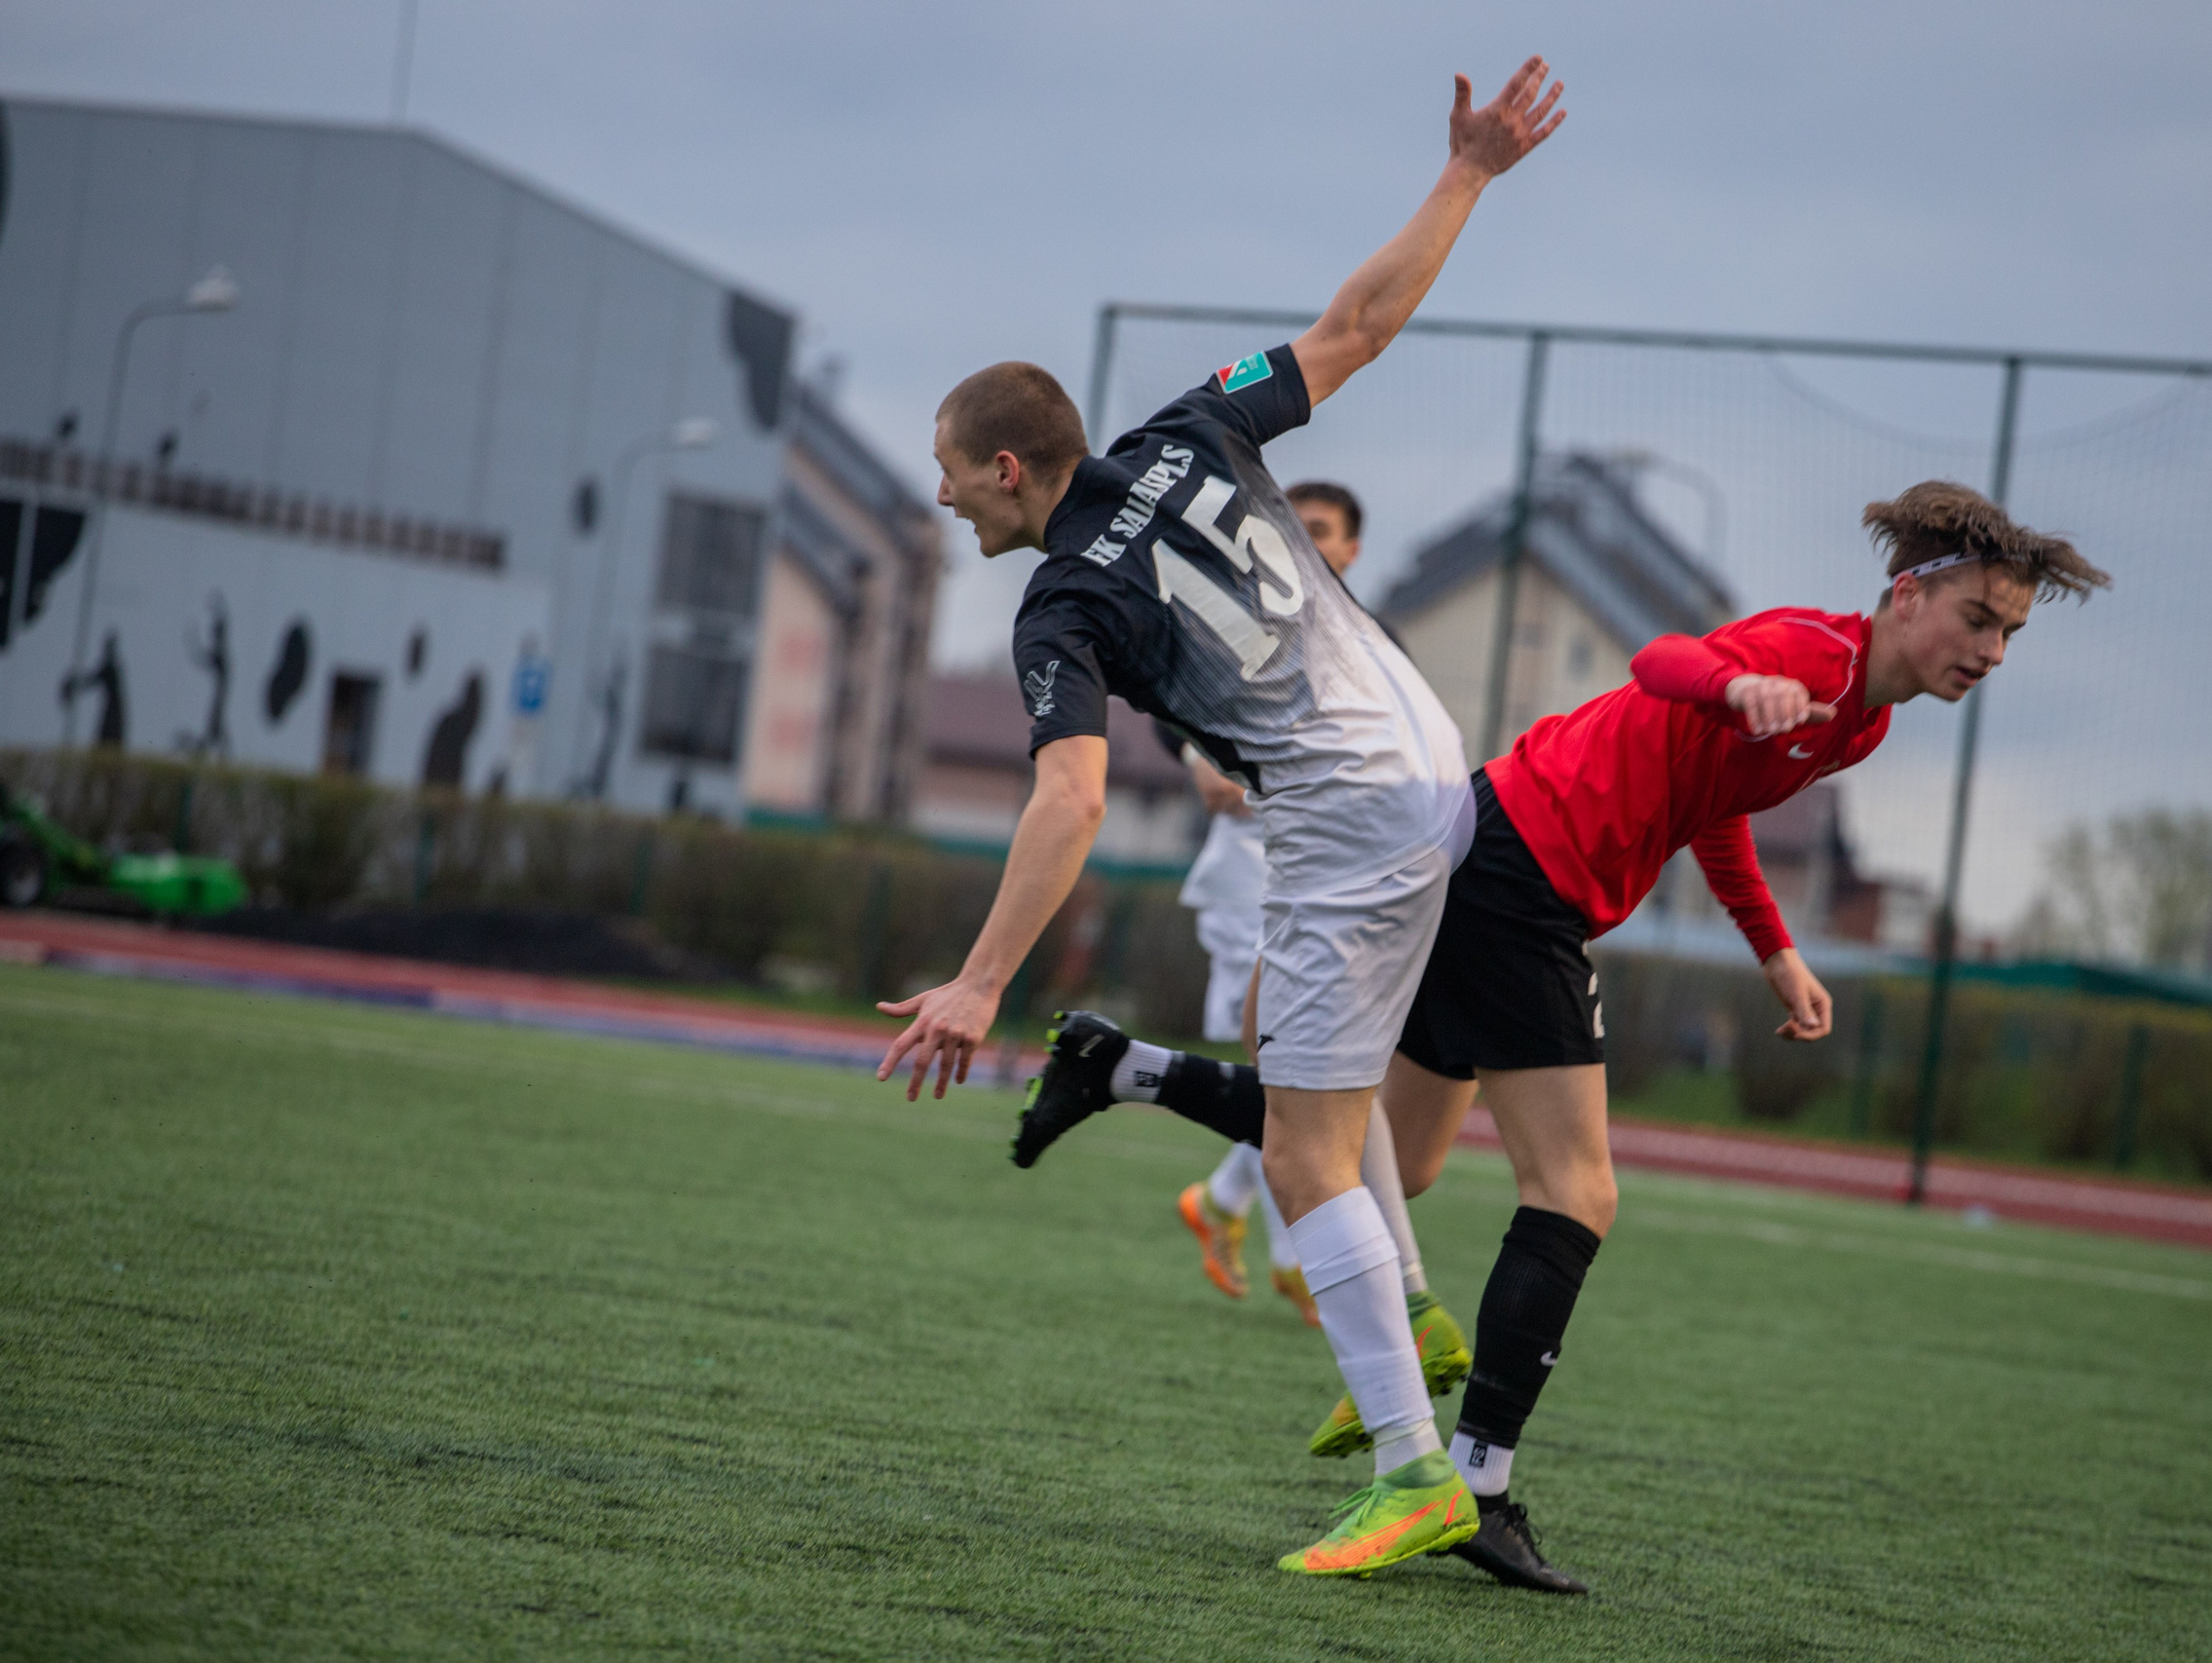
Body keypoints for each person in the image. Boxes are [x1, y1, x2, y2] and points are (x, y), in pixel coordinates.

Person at [1016, 480, 2109, 1590]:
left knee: (1386, 1154)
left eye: (2008, 633)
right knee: (1577, 1191)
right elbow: (1662, 664)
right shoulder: (1813, 657)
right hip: (1523, 881)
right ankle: (1475, 1489)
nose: (1992, 651)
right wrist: (1739, 680)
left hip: (1497, 857)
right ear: (1907, 596)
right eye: (1979, 620)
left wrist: (1773, 947)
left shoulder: (1860, 720)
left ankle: (1120, 1066)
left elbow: (1710, 801)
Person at [876, 58, 1565, 1579]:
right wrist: (1468, 175)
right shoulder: (1193, 427)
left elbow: (1067, 795)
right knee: (1328, 1078)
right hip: (1438, 761)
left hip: (1338, 820)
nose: (943, 504)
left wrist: (983, 979)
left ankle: (1413, 1469)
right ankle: (1421, 1315)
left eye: (947, 477)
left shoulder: (1059, 603)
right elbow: (1357, 328)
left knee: (1306, 1147)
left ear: (1007, 468)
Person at [1166, 485, 1455, 1365]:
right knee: (1297, 1075)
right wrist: (1207, 761)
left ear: (1355, 550)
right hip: (1253, 881)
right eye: (1296, 528)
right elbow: (1195, 740)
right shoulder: (1236, 624)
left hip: (1338, 884)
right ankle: (1308, 1256)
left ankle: (1234, 1207)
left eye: (1321, 531)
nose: (1305, 544)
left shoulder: (1374, 644)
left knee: (1312, 1081)